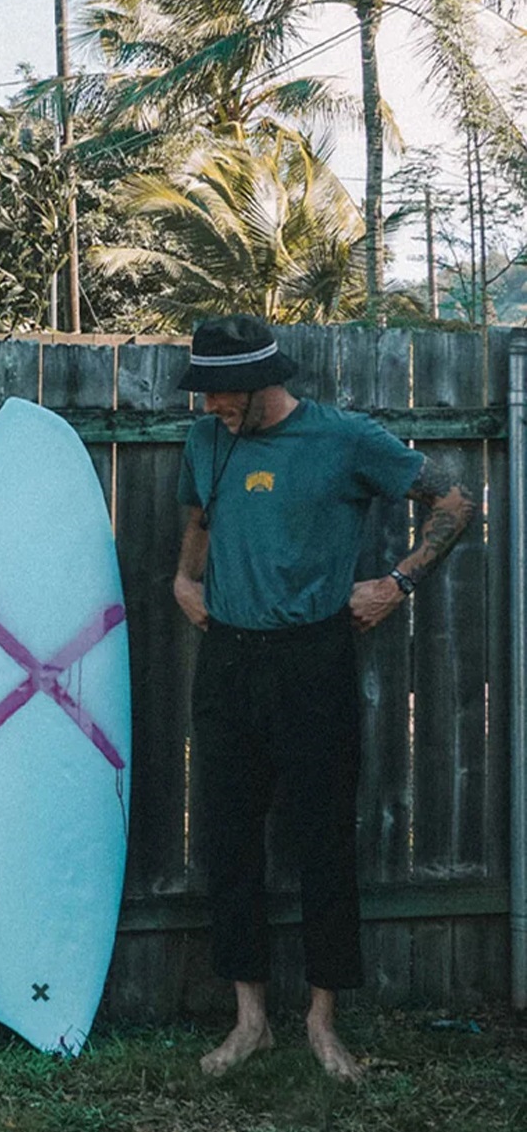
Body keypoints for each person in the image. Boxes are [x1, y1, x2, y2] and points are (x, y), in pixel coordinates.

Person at [173, 314, 474, 1082]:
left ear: (259, 381)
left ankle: (321, 1023)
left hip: (314, 661)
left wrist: (398, 582)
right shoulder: (208, 439)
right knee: (228, 839)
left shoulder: (346, 438)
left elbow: (455, 502)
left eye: (219, 392)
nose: (209, 406)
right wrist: (185, 577)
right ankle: (249, 1022)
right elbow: (201, 513)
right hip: (229, 662)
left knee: (323, 842)